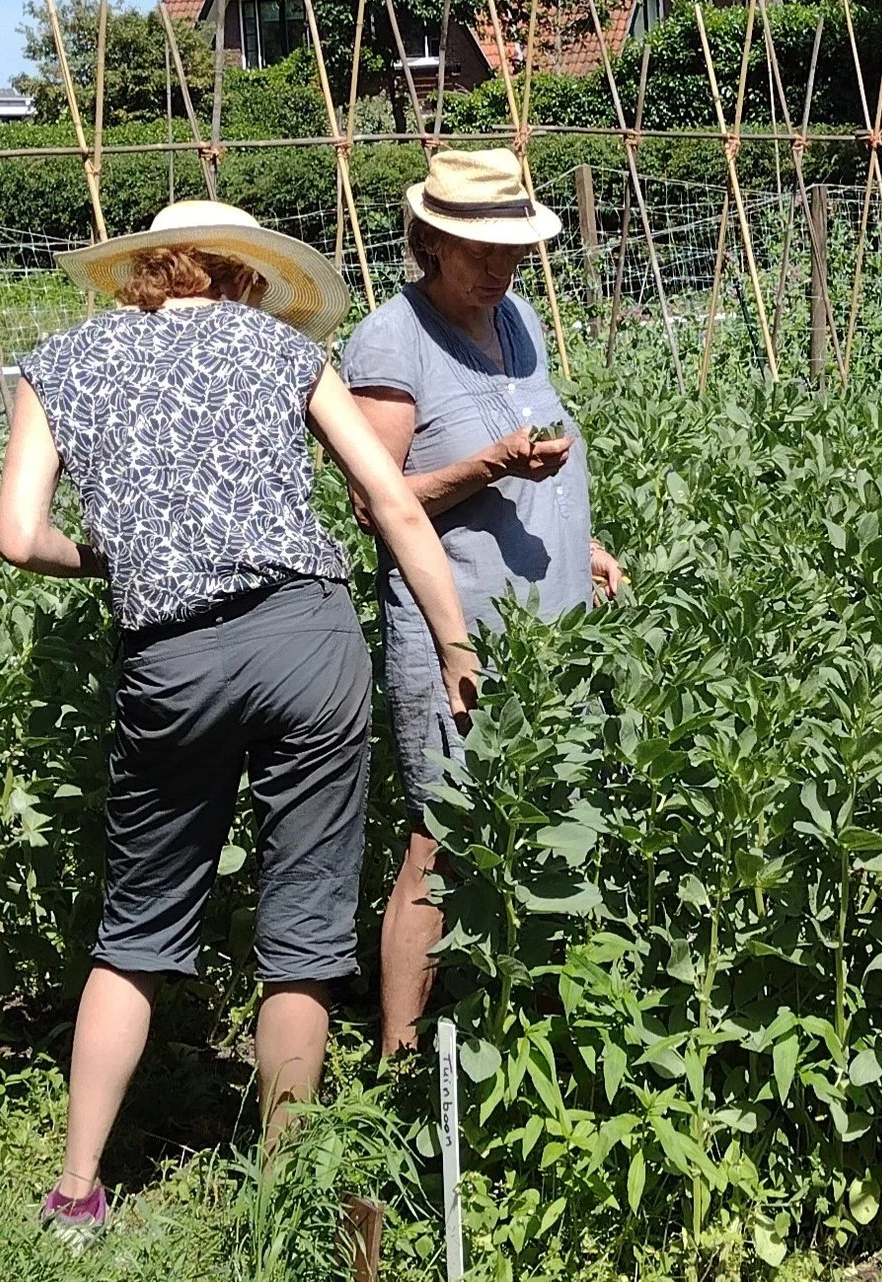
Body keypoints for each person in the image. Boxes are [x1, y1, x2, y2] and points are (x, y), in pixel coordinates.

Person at [0, 200, 477, 1233]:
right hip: (307, 639)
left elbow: (16, 535)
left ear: (144, 269)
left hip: (171, 660)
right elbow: (391, 501)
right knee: (302, 930)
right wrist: (453, 640)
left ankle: (77, 1192)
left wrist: (110, 560)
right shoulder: (276, 346)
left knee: (135, 927)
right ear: (243, 273)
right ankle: (285, 1192)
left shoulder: (61, 360)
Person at [339, 148, 626, 1057]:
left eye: (512, 248)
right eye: (480, 249)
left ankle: (515, 1026)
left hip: (550, 630)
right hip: (457, 630)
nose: (502, 266)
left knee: (544, 818)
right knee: (443, 841)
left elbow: (538, 457)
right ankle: (400, 1056)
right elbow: (376, 498)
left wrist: (579, 541)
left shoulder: (521, 321)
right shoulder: (392, 341)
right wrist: (491, 463)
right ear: (430, 240)